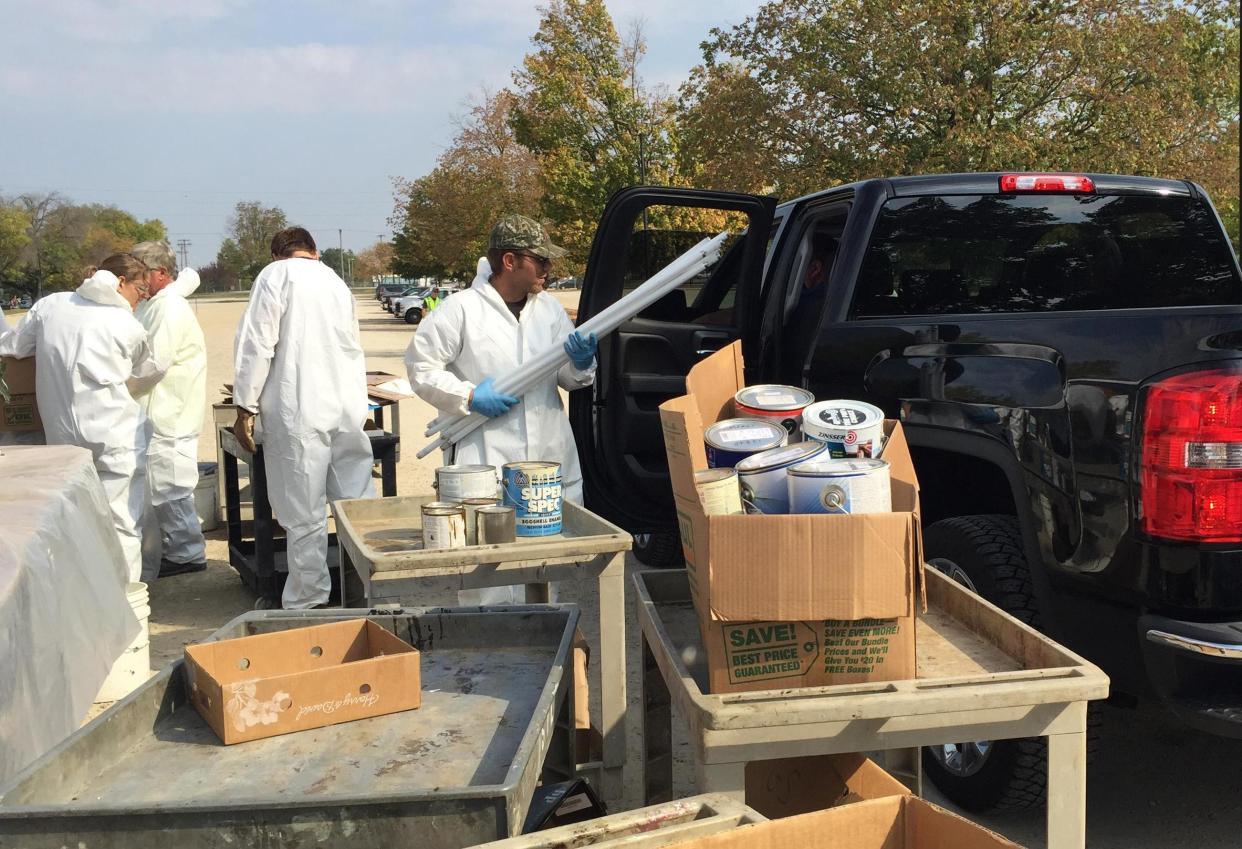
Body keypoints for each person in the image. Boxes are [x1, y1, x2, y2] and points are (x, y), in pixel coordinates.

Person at [404, 214, 597, 604]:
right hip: (484, 449)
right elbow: (420, 368)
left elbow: (569, 380)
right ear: (510, 261)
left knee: (545, 564)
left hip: (545, 452)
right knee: (487, 567)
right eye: (540, 260)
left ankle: (546, 643)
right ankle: (491, 648)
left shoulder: (549, 311)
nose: (548, 269)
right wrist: (470, 397)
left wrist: (580, 364)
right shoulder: (461, 310)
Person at [232, 227, 375, 610]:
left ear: (278, 253)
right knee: (355, 505)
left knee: (303, 513)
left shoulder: (274, 276)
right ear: (312, 250)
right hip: (346, 408)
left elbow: (258, 343)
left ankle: (307, 602)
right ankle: (365, 594)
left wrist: (245, 405)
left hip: (298, 408)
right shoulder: (335, 281)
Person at [0, 253, 165, 581]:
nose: (140, 298)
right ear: (120, 282)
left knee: (74, 525)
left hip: (64, 441)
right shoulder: (126, 325)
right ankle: (126, 603)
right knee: (122, 524)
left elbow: (15, 346)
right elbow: (147, 370)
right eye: (139, 289)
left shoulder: (51, 306)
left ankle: (87, 600)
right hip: (115, 437)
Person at [130, 240, 208, 579]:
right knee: (163, 485)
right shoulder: (157, 303)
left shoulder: (168, 307)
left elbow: (155, 363)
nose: (138, 281)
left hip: (168, 409)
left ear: (161, 273)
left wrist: (120, 388)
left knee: (171, 487)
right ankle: (177, 550)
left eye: (142, 273)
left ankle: (187, 553)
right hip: (160, 409)